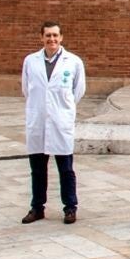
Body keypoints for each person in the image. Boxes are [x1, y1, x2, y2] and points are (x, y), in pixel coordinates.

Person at [20, 21, 87, 225]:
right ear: (41, 38)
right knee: (38, 169)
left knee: (66, 169)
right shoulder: (31, 61)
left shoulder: (73, 62)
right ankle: (37, 207)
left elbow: (78, 90)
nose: (52, 39)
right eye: (48, 36)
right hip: (38, 121)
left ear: (61, 37)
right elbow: (26, 89)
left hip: (61, 122)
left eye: (55, 36)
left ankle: (70, 207)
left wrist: (62, 110)